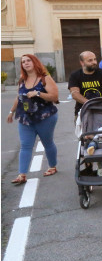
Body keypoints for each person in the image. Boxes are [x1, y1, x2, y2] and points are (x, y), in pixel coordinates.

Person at [6, 55, 60, 184]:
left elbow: (54, 96)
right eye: (23, 62)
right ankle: (22, 174)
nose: (26, 63)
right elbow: (18, 97)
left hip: (45, 117)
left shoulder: (44, 78)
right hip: (25, 118)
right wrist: (11, 111)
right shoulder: (22, 80)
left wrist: (38, 93)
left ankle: (52, 166)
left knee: (47, 143)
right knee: (25, 146)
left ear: (35, 62)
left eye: (28, 60)